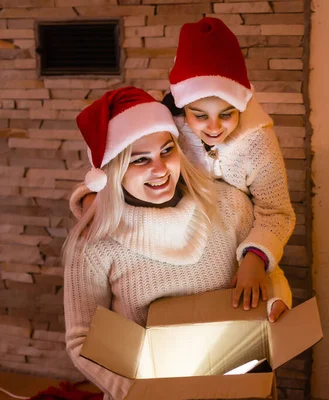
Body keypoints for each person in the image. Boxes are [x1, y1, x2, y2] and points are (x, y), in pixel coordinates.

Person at [63, 87, 291, 400]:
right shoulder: (94, 243)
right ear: (112, 171)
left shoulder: (229, 206)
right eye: (140, 159)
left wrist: (277, 305)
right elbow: (83, 337)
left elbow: (270, 280)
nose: (160, 170)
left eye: (166, 151)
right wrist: (140, 393)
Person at [72, 17, 296, 312]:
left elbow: (276, 211)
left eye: (227, 114)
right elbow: (122, 160)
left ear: (242, 105)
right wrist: (92, 197)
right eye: (199, 116)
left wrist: (255, 257)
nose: (214, 128)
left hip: (241, 234)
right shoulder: (169, 125)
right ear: (182, 108)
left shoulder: (258, 141)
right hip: (194, 220)